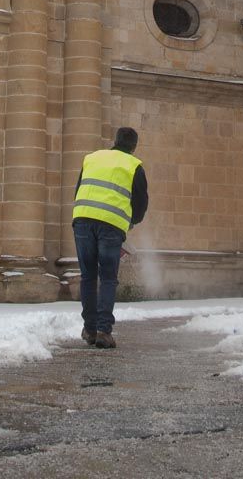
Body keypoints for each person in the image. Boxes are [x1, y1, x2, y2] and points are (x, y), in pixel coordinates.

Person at [72, 126, 148, 349]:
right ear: (133, 146)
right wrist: (131, 221)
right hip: (111, 226)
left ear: (114, 140)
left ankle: (89, 329)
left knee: (88, 276)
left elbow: (78, 189)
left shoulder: (92, 158)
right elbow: (141, 203)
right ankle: (104, 331)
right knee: (107, 277)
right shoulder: (134, 166)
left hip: (83, 219)